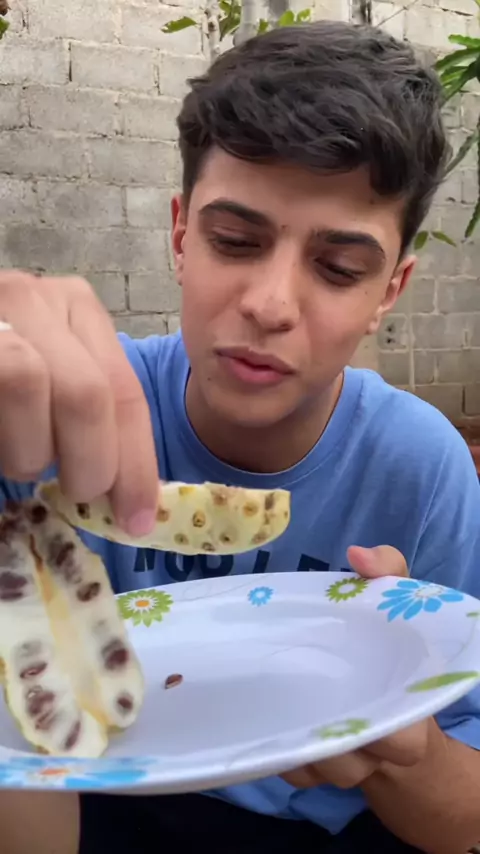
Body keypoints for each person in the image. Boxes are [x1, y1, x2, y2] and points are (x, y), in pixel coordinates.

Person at [0, 19, 480, 854]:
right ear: (181, 236)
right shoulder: (51, 422)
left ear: (389, 292)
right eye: (235, 241)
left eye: (338, 268)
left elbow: (463, 819)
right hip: (99, 802)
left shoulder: (420, 468)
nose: (270, 304)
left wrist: (400, 744)